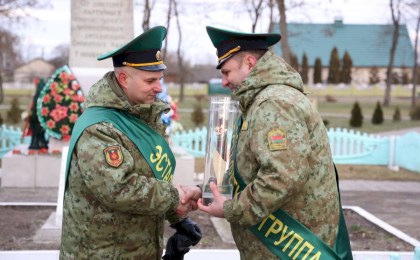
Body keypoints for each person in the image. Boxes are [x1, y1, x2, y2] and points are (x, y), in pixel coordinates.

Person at [183, 26, 352, 259]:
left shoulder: (274, 103)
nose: (223, 81)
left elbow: (280, 177)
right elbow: (251, 169)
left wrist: (232, 209)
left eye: (227, 72)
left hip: (290, 247)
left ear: (250, 63)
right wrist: (207, 193)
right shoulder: (262, 100)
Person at [60, 26, 201, 259]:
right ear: (124, 78)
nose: (159, 87)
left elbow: (153, 175)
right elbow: (119, 188)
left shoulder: (143, 115)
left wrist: (177, 217)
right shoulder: (99, 127)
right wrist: (175, 199)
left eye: (160, 79)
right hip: (101, 252)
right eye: (150, 80)